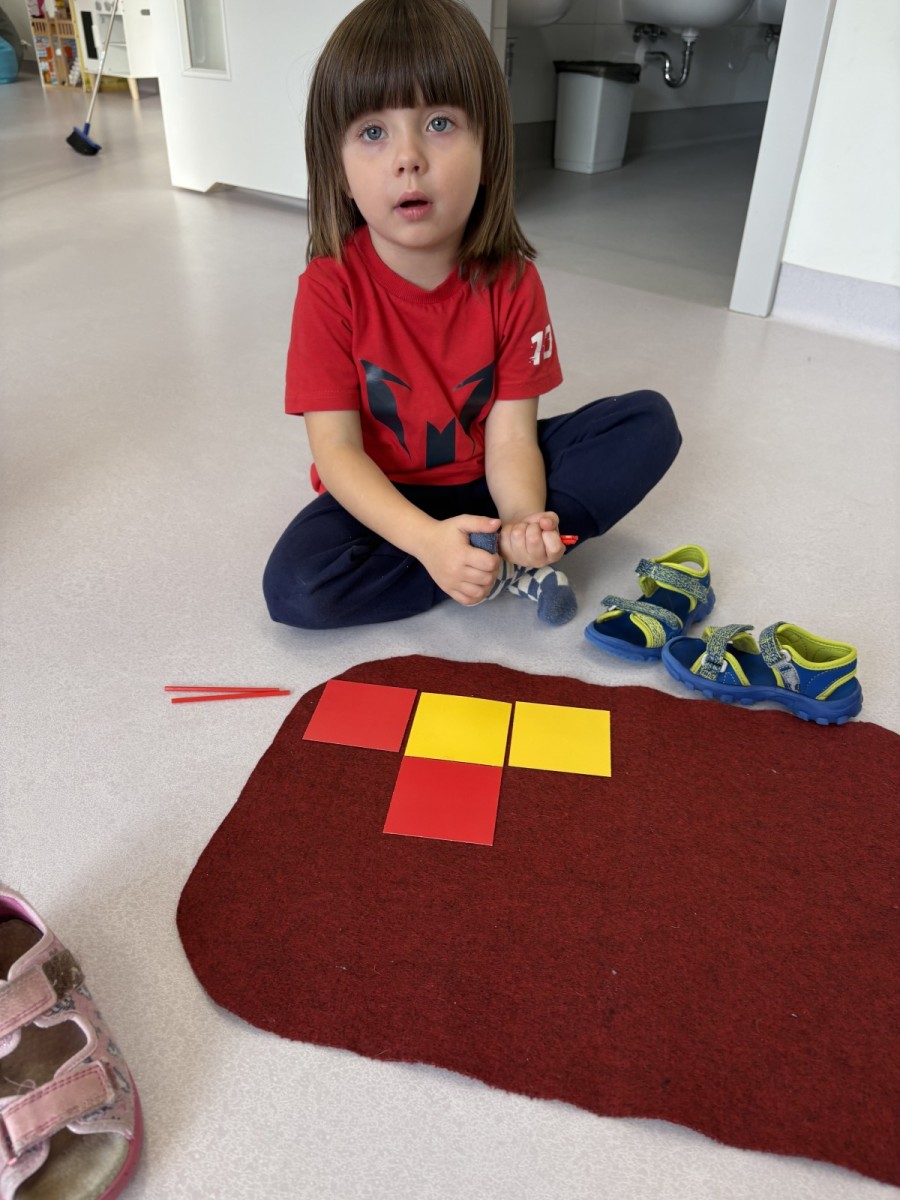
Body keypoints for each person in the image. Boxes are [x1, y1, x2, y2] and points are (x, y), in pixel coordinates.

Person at [263, 0, 681, 631]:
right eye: (373, 132)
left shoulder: (513, 281)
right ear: (340, 172)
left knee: (648, 422)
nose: (408, 158)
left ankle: (505, 552)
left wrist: (523, 519)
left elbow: (511, 439)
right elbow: (339, 452)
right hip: (388, 493)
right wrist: (426, 541)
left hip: (491, 474)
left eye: (439, 123)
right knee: (297, 588)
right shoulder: (329, 288)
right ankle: (476, 561)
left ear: (488, 147)